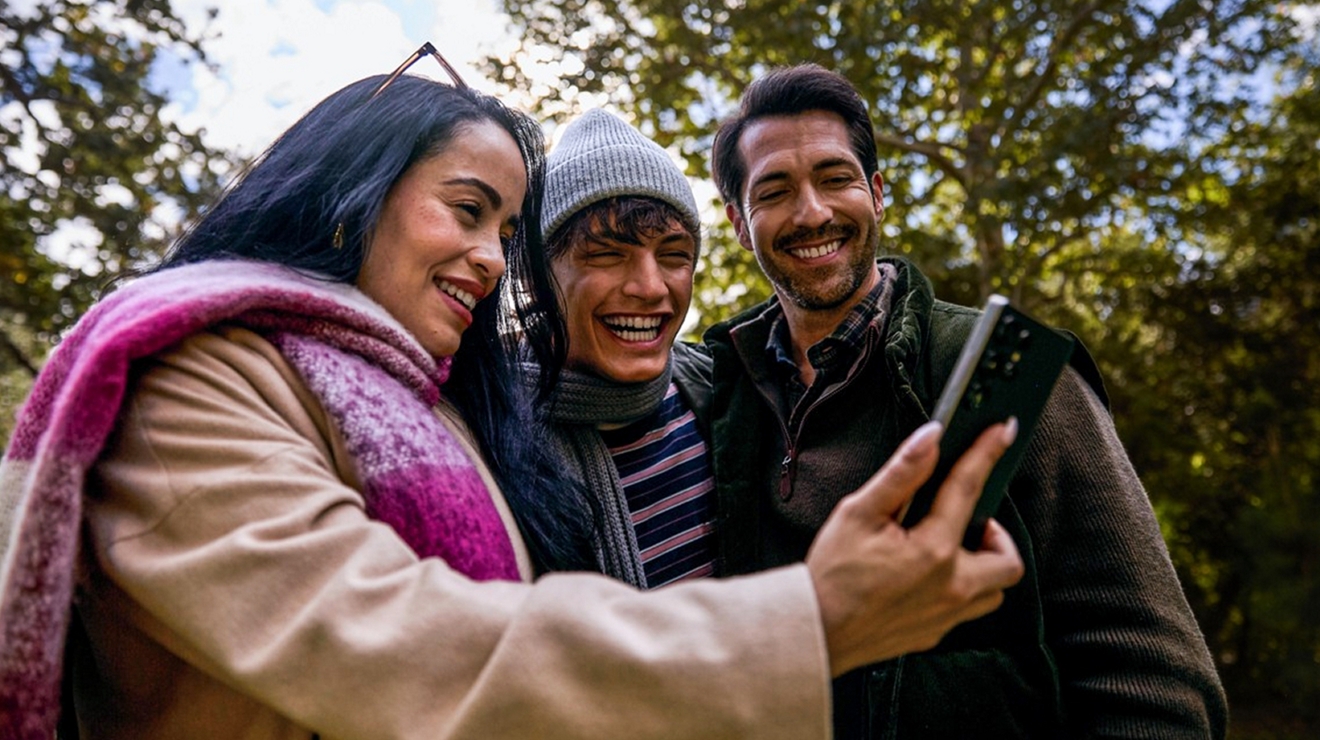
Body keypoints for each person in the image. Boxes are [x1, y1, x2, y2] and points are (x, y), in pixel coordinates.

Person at [0, 46, 1026, 740]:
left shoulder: (451, 399)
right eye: (468, 209)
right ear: (353, 193)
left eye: (503, 229)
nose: (489, 259)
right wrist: (813, 620)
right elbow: (419, 648)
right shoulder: (198, 372)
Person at [704, 62, 1229, 739]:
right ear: (741, 225)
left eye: (835, 179)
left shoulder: (1016, 378)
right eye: (774, 190)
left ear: (878, 193)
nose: (812, 212)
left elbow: (1155, 682)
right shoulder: (718, 393)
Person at [538, 108, 716, 588]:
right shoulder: (489, 434)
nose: (650, 287)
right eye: (606, 254)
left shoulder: (726, 393)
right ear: (538, 278)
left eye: (674, 256)